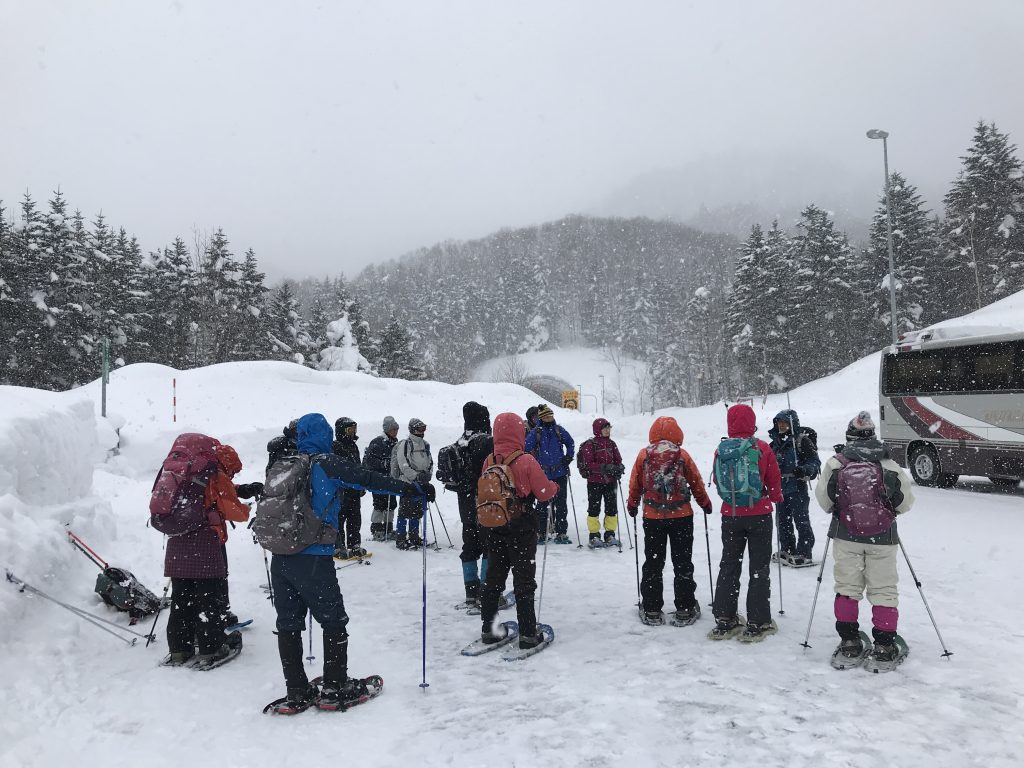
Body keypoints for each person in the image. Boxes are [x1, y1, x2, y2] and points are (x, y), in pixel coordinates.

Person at [269, 413, 433, 713]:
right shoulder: (326, 463)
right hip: (314, 558)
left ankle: (296, 689)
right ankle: (335, 685)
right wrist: (412, 489)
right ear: (325, 434)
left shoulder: (285, 464)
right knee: (333, 621)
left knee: (288, 623)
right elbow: (369, 479)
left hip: (281, 558)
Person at [815, 411, 915, 667]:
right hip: (882, 538)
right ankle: (883, 644)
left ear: (849, 437)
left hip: (845, 535)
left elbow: (824, 500)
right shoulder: (887, 464)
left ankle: (849, 642)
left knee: (847, 587)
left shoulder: (836, 464)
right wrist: (885, 513)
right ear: (872, 436)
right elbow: (905, 502)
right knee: (883, 589)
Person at [162, 437, 250, 668]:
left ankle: (180, 649)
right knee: (209, 599)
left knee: (182, 599)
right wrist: (247, 507)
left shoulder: (178, 472)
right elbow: (235, 512)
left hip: (177, 545)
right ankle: (212, 647)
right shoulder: (214, 474)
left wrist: (235, 490)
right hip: (205, 545)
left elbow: (206, 496)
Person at [479, 412, 558, 649]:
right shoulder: (525, 460)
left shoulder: (489, 460)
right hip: (521, 525)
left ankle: (489, 629)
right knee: (524, 579)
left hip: (494, 524)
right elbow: (545, 492)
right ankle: (527, 634)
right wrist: (554, 486)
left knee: (494, 577)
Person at [709, 404, 784, 642]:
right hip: (759, 514)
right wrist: (776, 497)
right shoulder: (761, 448)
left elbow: (718, 480)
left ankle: (725, 618)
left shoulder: (722, 449)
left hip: (730, 515)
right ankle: (758, 621)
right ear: (752, 423)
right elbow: (774, 482)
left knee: (729, 565)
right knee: (759, 568)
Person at [626, 416, 711, 625]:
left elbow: (635, 483)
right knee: (682, 561)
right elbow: (696, 482)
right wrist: (704, 502)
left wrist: (633, 504)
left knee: (653, 562)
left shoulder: (644, 455)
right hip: (681, 516)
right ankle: (685, 607)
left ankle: (652, 609)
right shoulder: (682, 455)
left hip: (653, 517)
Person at [453, 401, 495, 606]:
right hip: (486, 501)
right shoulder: (487, 442)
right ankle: (488, 592)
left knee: (469, 546)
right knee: (489, 547)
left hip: (465, 504)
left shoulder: (459, 442)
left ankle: (471, 591)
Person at [768, 409, 821, 566]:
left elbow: (814, 461)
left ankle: (804, 552)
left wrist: (805, 469)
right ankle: (787, 549)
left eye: (785, 423)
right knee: (782, 521)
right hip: (779, 489)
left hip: (797, 487)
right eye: (779, 423)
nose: (781, 426)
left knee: (801, 520)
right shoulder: (775, 444)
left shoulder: (802, 441)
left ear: (792, 424)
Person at [524, 404, 574, 544]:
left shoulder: (558, 430)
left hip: (560, 473)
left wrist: (568, 457)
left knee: (561, 505)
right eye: (546, 416)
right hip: (543, 475)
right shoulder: (536, 432)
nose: (549, 418)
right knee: (542, 505)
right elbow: (526, 448)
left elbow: (570, 443)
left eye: (551, 415)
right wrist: (532, 464)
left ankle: (561, 532)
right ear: (541, 418)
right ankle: (541, 533)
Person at [576, 417, 625, 547]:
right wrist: (605, 467)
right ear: (598, 429)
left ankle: (610, 534)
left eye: (609, 428)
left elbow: (618, 459)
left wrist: (619, 467)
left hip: (610, 482)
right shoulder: (590, 444)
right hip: (594, 482)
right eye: (605, 428)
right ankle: (594, 536)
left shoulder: (612, 444)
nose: (608, 430)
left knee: (611, 509)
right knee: (593, 509)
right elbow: (589, 464)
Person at [391, 417, 433, 550]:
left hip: (421, 481)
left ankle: (414, 537)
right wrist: (416, 476)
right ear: (413, 429)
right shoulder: (405, 444)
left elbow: (430, 461)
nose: (422, 431)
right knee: (404, 511)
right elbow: (403, 464)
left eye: (424, 428)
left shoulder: (425, 444)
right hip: (407, 482)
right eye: (420, 428)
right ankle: (401, 538)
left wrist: (427, 474)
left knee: (417, 510)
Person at [332, 417, 366, 558]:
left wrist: (361, 483)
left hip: (354, 489)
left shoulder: (353, 446)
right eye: (349, 430)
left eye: (354, 429)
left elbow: (358, 466)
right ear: (342, 431)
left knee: (354, 517)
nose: (352, 432)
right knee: (339, 518)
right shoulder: (334, 446)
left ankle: (354, 544)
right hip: (341, 489)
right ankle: (338, 546)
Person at [363, 416, 400, 541]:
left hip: (391, 479)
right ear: (387, 429)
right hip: (378, 479)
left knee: (391, 503)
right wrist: (384, 464)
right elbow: (370, 460)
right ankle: (376, 529)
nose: (396, 431)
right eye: (393, 429)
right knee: (379, 503)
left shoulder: (396, 442)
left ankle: (388, 528)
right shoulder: (377, 442)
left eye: (397, 428)